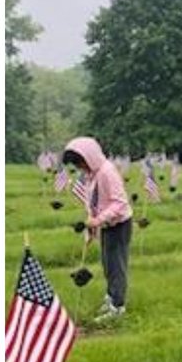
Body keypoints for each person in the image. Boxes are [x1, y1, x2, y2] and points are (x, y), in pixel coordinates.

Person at [64, 136, 133, 321]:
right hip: (106, 224)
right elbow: (92, 201)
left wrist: (98, 220)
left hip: (119, 224)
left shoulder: (107, 172)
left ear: (90, 156)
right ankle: (110, 297)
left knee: (117, 265)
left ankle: (118, 306)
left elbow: (119, 203)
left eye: (80, 162)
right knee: (107, 264)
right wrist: (92, 224)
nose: (80, 167)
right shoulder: (91, 175)